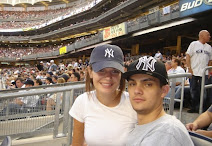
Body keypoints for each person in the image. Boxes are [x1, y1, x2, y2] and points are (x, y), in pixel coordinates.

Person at [69, 44, 137, 146]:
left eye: (114, 71)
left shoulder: (134, 103)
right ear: (90, 72)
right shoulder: (82, 102)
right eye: (101, 70)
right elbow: (77, 144)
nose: (108, 77)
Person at [123, 56, 194, 146]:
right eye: (132, 84)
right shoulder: (138, 123)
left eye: (148, 84)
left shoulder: (166, 133)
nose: (137, 90)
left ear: (164, 90)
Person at [186, 30, 212, 113]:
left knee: (204, 91)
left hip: (204, 73)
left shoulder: (209, 47)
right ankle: (194, 107)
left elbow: (210, 60)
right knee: (193, 90)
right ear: (202, 36)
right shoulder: (194, 44)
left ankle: (203, 108)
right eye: (208, 35)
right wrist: (189, 68)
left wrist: (209, 71)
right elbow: (188, 56)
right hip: (194, 71)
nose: (209, 36)